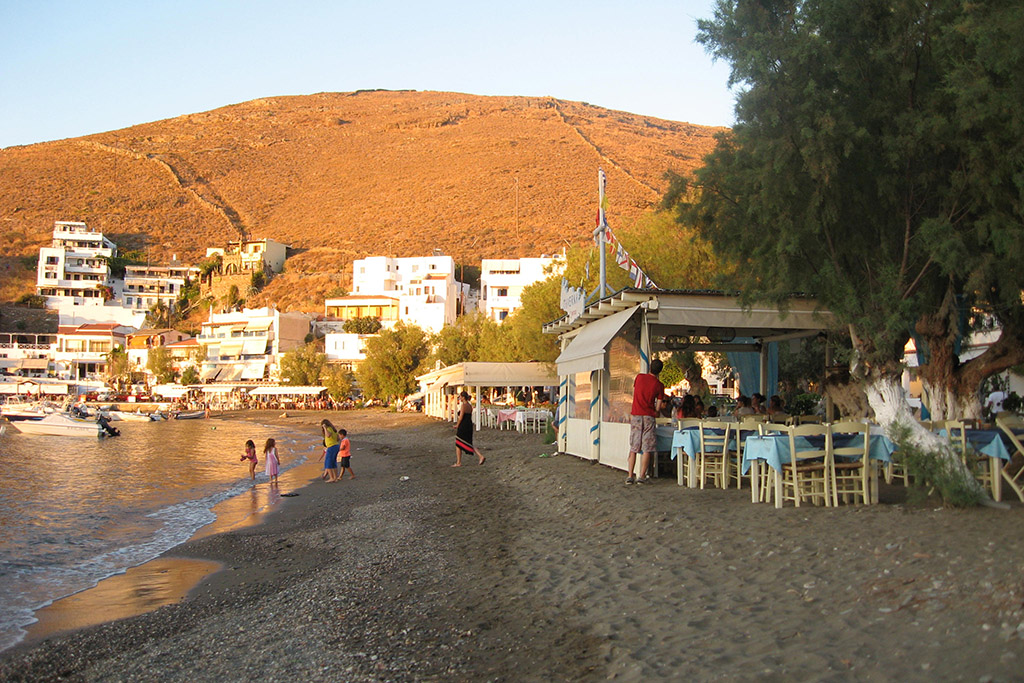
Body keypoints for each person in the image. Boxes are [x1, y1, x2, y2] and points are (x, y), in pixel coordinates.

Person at [626, 358, 667, 484]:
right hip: (649, 416)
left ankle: (629, 475)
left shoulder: (639, 378)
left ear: (650, 367)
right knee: (647, 448)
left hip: (636, 415)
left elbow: (635, 392)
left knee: (634, 447)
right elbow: (658, 406)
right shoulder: (659, 385)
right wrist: (655, 410)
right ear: (660, 371)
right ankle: (642, 476)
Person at [454, 391, 485, 466]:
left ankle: (459, 462)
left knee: (458, 442)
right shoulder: (469, 406)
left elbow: (461, 417)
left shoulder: (463, 406)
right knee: (468, 442)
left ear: (463, 397)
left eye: (460, 397)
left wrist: (457, 425)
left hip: (463, 425)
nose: (460, 398)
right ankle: (480, 456)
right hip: (469, 425)